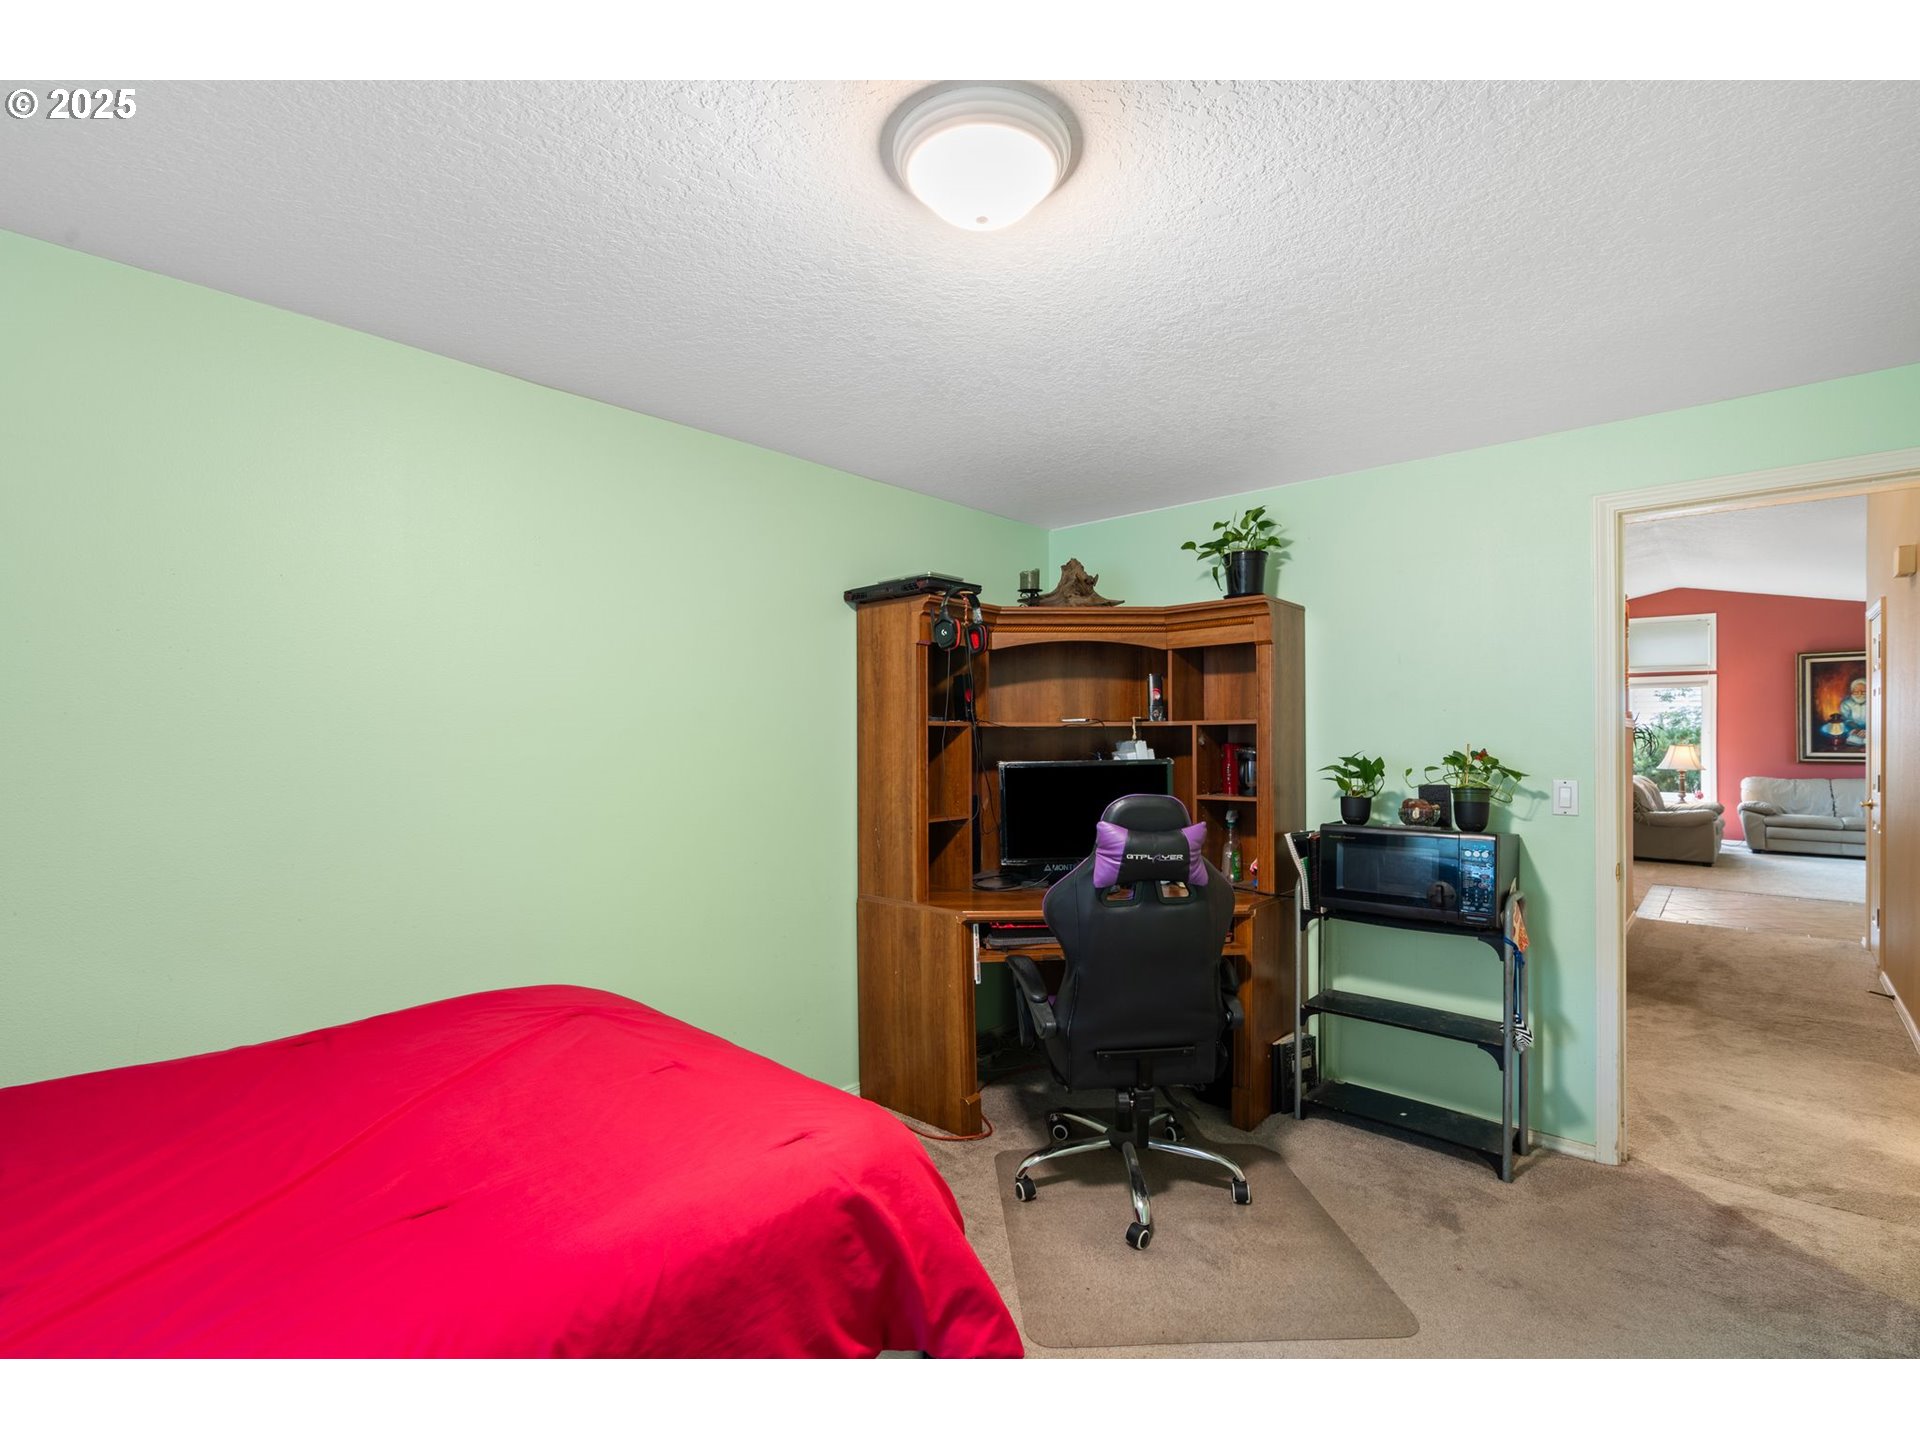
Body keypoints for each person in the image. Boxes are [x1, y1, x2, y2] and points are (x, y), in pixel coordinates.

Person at [1841, 677, 1868, 747]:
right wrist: (1856, 729)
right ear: (1852, 692)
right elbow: (1846, 719)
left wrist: (1867, 731)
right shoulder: (1846, 703)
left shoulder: (1874, 702)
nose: (1860, 694)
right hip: (1853, 728)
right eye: (1856, 692)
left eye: (1864, 691)